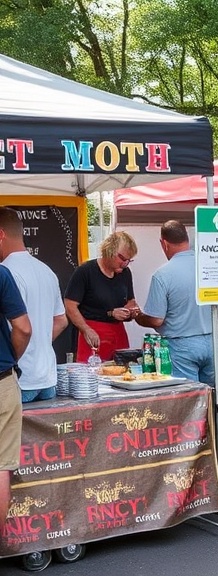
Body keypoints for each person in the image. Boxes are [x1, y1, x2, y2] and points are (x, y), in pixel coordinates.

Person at [0, 207, 67, 402]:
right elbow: (61, 321)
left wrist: (13, 359)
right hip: (47, 378)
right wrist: (40, 343)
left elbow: (22, 329)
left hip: (20, 379)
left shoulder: (6, 272)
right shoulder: (46, 270)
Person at [135, 221, 215, 384]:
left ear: (164, 243)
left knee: (188, 400)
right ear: (187, 238)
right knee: (214, 398)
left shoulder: (162, 275)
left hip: (181, 346)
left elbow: (157, 319)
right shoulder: (209, 267)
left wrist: (138, 316)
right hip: (212, 341)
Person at [64, 231, 140, 361]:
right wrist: (86, 329)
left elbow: (130, 301)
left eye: (129, 260)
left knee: (121, 373)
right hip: (93, 333)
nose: (125, 264)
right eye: (122, 259)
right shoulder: (85, 271)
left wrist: (131, 311)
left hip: (117, 333)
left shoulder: (125, 274)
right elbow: (70, 305)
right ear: (109, 251)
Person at [0, 255, 31, 523]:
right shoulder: (1, 274)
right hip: (1, 380)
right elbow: (23, 327)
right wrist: (11, 358)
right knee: (0, 467)